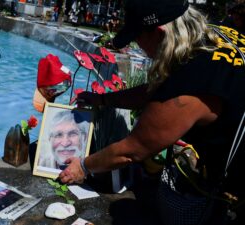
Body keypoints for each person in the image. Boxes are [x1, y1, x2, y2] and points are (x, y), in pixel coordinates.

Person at [58, 0, 245, 224]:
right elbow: (156, 92)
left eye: (138, 36)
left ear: (159, 32)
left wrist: (84, 166)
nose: (137, 45)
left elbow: (134, 149)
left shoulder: (194, 77)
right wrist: (104, 99)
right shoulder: (215, 34)